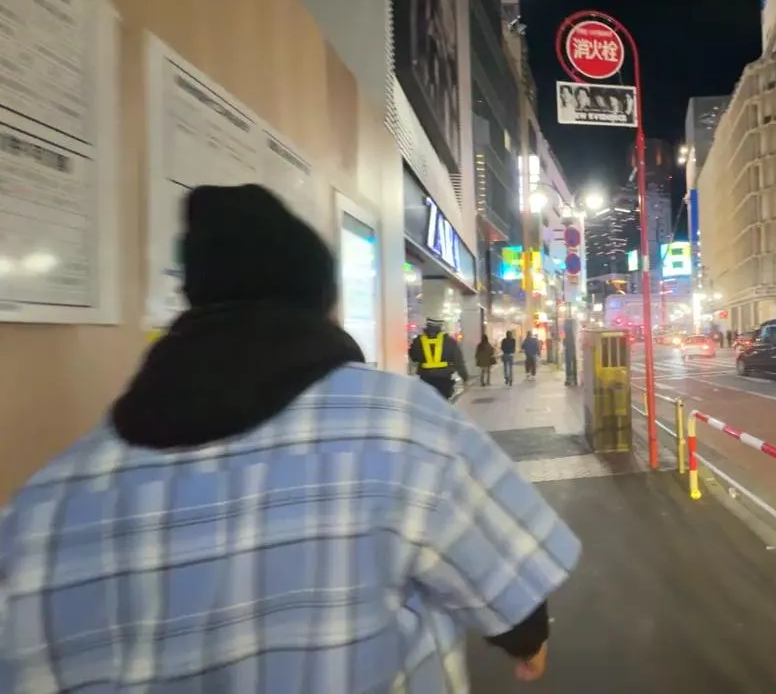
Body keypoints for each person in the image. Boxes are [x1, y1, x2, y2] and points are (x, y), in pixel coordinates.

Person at [0, 184, 581, 692]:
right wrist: (526, 638)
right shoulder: (401, 424)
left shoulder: (51, 498)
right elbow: (500, 567)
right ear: (318, 298)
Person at [409, 316, 469, 400]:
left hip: (425, 380)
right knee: (443, 402)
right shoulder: (449, 341)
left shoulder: (418, 341)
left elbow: (414, 357)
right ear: (440, 327)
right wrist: (465, 378)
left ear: (427, 326)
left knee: (427, 402)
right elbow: (458, 362)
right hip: (444, 381)